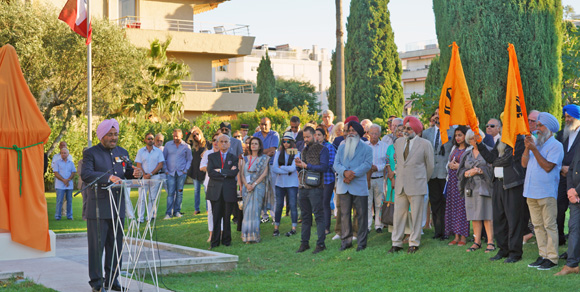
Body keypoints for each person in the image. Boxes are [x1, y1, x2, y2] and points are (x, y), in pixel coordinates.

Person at [82, 119, 141, 292]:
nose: (113, 138)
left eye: (115, 134)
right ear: (102, 135)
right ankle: (97, 284)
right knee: (97, 248)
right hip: (99, 208)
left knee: (116, 247)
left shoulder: (122, 152)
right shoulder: (91, 153)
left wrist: (135, 173)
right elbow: (86, 174)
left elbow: (127, 171)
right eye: (110, 134)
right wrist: (108, 178)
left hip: (118, 207)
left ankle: (113, 280)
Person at [476, 129, 528, 264]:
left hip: (512, 185)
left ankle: (515, 253)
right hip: (498, 184)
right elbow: (490, 158)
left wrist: (494, 161)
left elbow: (507, 160)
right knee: (499, 219)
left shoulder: (519, 140)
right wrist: (479, 144)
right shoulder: (500, 140)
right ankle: (503, 250)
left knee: (513, 220)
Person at [522, 112, 563, 270]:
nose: (536, 128)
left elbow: (547, 167)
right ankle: (543, 254)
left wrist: (534, 149)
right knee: (537, 225)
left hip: (546, 192)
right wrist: (527, 149)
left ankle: (552, 258)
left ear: (549, 128)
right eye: (536, 125)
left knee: (549, 225)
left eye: (540, 126)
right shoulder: (535, 143)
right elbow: (524, 164)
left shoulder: (556, 145)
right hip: (531, 191)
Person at [388, 116, 434, 254]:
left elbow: (430, 167)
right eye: (404, 128)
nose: (405, 131)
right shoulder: (398, 142)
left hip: (417, 184)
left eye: (408, 128)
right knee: (398, 215)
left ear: (417, 130)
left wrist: (421, 180)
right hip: (400, 185)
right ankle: (396, 243)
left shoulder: (425, 144)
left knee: (416, 216)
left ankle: (414, 243)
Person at [334, 121, 373, 252]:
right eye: (348, 130)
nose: (350, 133)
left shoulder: (367, 148)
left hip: (358, 186)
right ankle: (346, 242)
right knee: (344, 215)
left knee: (361, 215)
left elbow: (367, 164)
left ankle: (361, 242)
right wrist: (345, 172)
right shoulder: (341, 147)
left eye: (353, 130)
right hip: (344, 185)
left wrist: (352, 174)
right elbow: (336, 164)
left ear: (359, 133)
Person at [458, 129, 495, 252]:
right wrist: (468, 173)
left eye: (475, 138)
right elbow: (460, 172)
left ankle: (490, 242)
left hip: (485, 186)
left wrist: (481, 171)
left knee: (487, 214)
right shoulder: (466, 154)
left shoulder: (489, 151)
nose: (473, 141)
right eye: (471, 139)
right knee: (474, 215)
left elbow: (494, 169)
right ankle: (476, 242)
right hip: (471, 188)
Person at [295, 126, 330, 254]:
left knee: (319, 216)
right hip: (303, 187)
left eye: (308, 137)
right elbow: (302, 168)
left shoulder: (323, 149)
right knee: (305, 216)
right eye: (304, 137)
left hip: (316, 188)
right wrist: (299, 165)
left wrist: (307, 166)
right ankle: (304, 243)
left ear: (314, 135)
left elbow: (324, 167)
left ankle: (321, 244)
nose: (306, 139)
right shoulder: (303, 150)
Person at [422, 110, 454, 240]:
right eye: (435, 113)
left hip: (446, 173)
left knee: (446, 203)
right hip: (432, 173)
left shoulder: (452, 131)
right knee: (435, 202)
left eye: (440, 113)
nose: (437, 115)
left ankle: (447, 231)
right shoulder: (426, 133)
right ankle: (438, 231)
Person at [207, 134, 239, 249]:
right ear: (217, 143)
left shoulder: (234, 157)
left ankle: (226, 241)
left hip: (228, 192)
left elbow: (234, 173)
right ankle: (214, 242)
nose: (224, 143)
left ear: (229, 144)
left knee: (226, 218)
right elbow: (210, 173)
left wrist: (220, 171)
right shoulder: (212, 157)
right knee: (216, 218)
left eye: (226, 141)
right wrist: (226, 173)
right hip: (215, 191)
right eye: (221, 141)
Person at [556, 125, 580, 275]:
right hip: (575, 196)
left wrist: (576, 191)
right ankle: (572, 264)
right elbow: (571, 168)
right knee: (574, 228)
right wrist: (571, 190)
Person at [239, 137, 269, 242]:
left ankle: (255, 236)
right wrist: (247, 185)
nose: (253, 145)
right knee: (247, 212)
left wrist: (254, 184)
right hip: (247, 188)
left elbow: (264, 173)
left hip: (258, 186)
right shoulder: (245, 158)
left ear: (260, 146)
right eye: (252, 143)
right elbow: (242, 173)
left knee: (255, 211)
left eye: (256, 143)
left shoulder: (264, 158)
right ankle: (246, 237)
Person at [445, 126, 470, 246]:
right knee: (453, 207)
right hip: (452, 183)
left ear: (466, 135)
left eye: (460, 135)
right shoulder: (454, 148)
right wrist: (450, 165)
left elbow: (470, 165)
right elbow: (448, 163)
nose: (458, 138)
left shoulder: (469, 149)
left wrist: (458, 166)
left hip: (463, 182)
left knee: (463, 208)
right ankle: (455, 236)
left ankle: (463, 237)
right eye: (456, 135)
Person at [272, 132, 300, 237]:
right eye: (284, 141)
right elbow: (274, 168)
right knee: (279, 205)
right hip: (280, 183)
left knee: (293, 205)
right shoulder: (279, 153)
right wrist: (286, 170)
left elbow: (293, 168)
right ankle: (276, 228)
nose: (286, 143)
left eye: (288, 141)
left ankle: (293, 228)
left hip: (292, 183)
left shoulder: (296, 153)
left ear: (292, 142)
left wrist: (281, 168)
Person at [253, 117, 280, 223]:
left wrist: (260, 152)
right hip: (259, 167)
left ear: (270, 124)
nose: (263, 126)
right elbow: (254, 150)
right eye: (261, 124)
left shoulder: (274, 135)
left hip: (272, 165)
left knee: (273, 191)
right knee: (261, 191)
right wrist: (265, 152)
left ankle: (274, 216)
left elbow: (273, 151)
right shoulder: (256, 135)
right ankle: (264, 215)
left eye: (265, 124)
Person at [135, 133, 165, 223]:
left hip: (155, 177)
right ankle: (140, 218)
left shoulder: (158, 151)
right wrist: (144, 175)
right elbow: (138, 164)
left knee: (152, 198)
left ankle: (150, 216)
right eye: (148, 138)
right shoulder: (140, 151)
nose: (150, 140)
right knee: (142, 198)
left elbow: (160, 164)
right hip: (143, 177)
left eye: (152, 138)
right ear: (145, 140)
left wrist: (151, 174)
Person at [163, 129, 193, 219]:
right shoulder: (168, 145)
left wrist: (185, 170)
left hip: (181, 173)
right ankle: (168, 213)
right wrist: (166, 170)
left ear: (181, 136)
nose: (175, 137)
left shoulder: (186, 146)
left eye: (177, 136)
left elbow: (189, 159)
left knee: (179, 193)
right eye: (174, 136)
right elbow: (163, 158)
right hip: (170, 173)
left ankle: (177, 212)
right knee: (170, 193)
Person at [365, 124, 388, 233]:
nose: (374, 135)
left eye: (376, 133)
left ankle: (379, 225)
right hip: (366, 178)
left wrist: (377, 167)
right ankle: (368, 225)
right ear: (368, 133)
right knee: (367, 203)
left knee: (379, 203)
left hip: (379, 177)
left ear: (379, 134)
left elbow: (387, 163)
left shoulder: (385, 146)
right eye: (372, 133)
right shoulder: (364, 146)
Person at [315, 127, 336, 235]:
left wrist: (317, 166)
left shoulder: (329, 147)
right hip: (315, 180)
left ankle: (327, 228)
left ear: (324, 136)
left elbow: (330, 163)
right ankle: (320, 226)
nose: (317, 137)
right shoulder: (313, 147)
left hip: (327, 179)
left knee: (325, 203)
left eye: (319, 135)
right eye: (315, 135)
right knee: (318, 204)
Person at [201, 132, 222, 242]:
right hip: (209, 183)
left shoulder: (225, 153)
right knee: (211, 210)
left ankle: (222, 234)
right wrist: (212, 168)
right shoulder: (207, 153)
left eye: (218, 140)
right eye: (214, 140)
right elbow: (202, 167)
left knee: (222, 210)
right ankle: (211, 234)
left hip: (223, 183)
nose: (216, 142)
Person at [186, 126, 207, 215]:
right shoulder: (193, 145)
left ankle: (208, 208)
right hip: (195, 171)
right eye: (194, 136)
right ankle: (196, 209)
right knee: (196, 191)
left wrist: (206, 152)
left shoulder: (207, 143)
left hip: (204, 170)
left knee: (207, 191)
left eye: (197, 134)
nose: (196, 137)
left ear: (200, 134)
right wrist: (191, 131)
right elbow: (186, 140)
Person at [52, 141, 74, 217]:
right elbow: (55, 172)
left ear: (68, 154)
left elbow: (73, 172)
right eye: (62, 153)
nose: (63, 154)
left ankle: (69, 216)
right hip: (59, 184)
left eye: (65, 153)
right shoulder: (57, 160)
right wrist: (64, 180)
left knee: (69, 201)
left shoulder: (71, 162)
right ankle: (58, 216)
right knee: (59, 201)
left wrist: (67, 180)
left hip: (69, 184)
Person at [77, 147, 89, 220]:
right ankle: (84, 216)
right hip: (84, 183)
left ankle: (90, 215)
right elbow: (79, 172)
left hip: (91, 183)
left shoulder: (93, 161)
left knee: (91, 200)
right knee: (85, 200)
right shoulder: (81, 162)